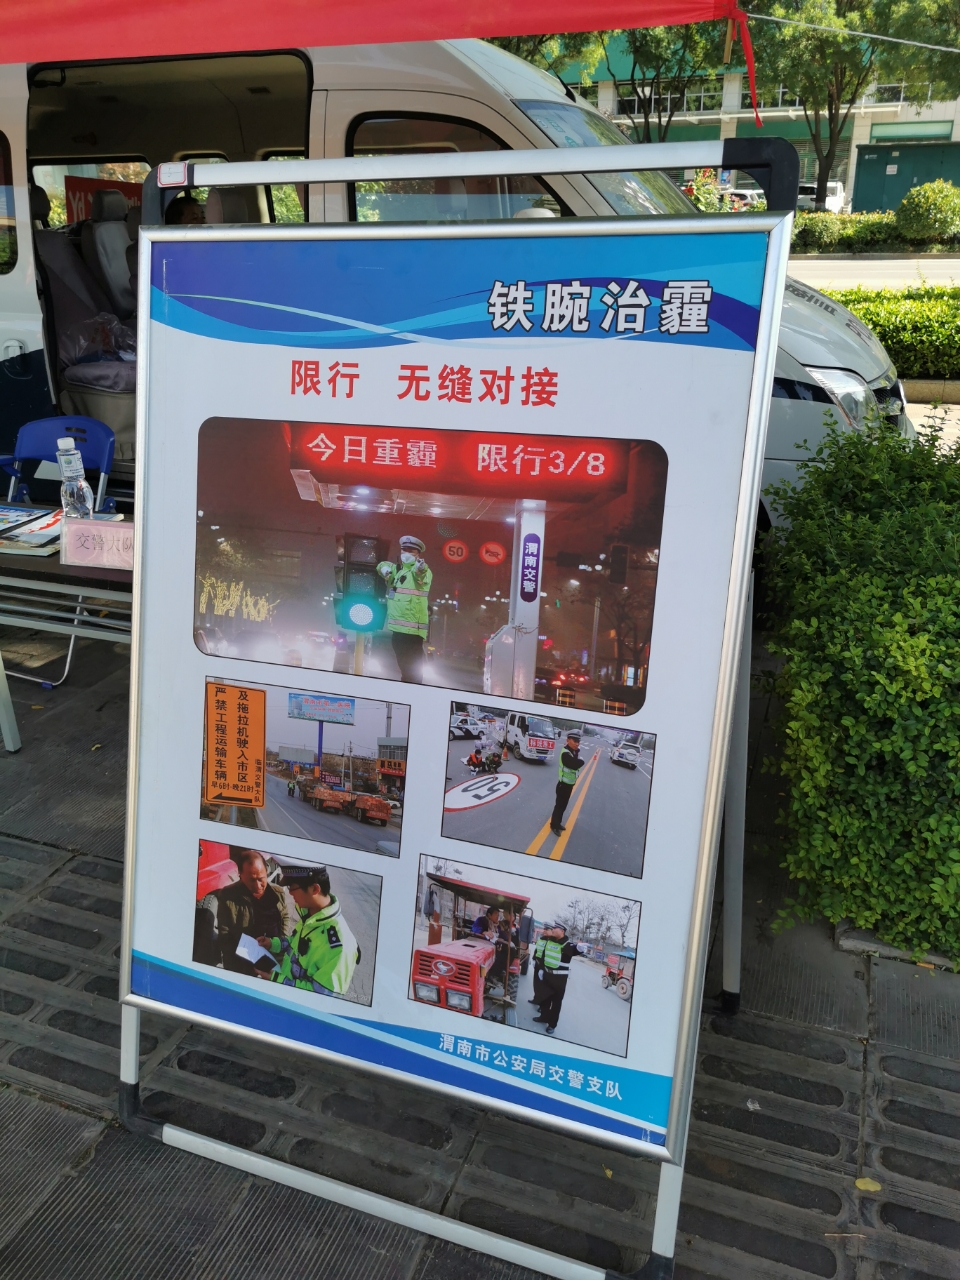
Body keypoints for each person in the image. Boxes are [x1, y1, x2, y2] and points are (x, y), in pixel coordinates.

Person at [257, 864, 359, 996]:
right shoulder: (310, 914)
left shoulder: (340, 947)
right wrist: (273, 943)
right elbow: (295, 944)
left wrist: (276, 979)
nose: (290, 892)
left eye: (292, 887)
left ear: (315, 889)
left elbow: (320, 996)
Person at [203, 850, 297, 975]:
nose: (258, 886)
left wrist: (280, 944)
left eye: (261, 879)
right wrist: (233, 968)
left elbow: (285, 919)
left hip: (274, 959)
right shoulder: (228, 896)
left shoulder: (277, 894)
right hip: (243, 964)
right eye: (252, 880)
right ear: (240, 874)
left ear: (266, 871)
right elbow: (225, 936)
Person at [377, 535, 432, 683]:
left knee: (412, 673)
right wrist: (385, 569)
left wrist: (420, 568)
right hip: (397, 630)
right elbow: (381, 564)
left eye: (411, 551)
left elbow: (420, 574)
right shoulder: (398, 570)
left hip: (413, 632)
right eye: (404, 550)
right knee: (405, 670)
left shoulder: (422, 571)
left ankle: (412, 693)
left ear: (418, 554)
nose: (406, 553)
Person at [533, 922, 590, 1035]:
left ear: (562, 931)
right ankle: (543, 1017)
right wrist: (541, 969)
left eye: (556, 928)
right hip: (547, 975)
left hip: (559, 980)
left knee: (556, 1003)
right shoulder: (549, 941)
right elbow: (543, 956)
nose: (553, 929)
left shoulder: (566, 944)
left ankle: (552, 1025)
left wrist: (579, 949)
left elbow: (574, 950)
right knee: (544, 998)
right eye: (553, 928)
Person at [550, 729, 585, 836]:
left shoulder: (572, 752)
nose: (577, 744)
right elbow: (574, 765)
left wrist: (577, 756)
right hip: (563, 786)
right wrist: (581, 761)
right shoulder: (565, 753)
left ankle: (558, 823)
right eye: (574, 741)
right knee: (559, 806)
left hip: (569, 785)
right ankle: (554, 825)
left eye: (578, 741)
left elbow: (575, 762)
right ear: (568, 740)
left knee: (563, 806)